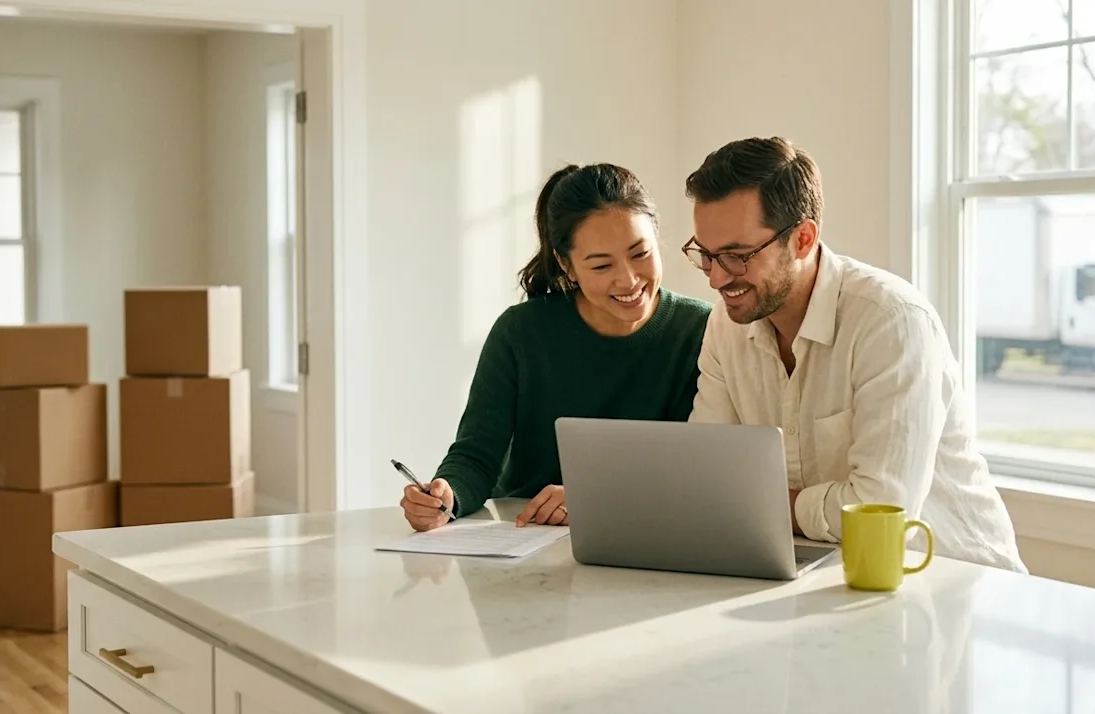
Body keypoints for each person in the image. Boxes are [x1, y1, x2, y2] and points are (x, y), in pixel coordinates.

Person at [682, 136, 1027, 572]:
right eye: (706, 255)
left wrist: (760, 500)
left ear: (803, 239)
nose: (715, 279)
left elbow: (882, 508)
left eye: (735, 256)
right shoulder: (725, 326)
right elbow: (707, 478)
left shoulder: (892, 321)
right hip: (823, 578)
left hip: (955, 583)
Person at [400, 163, 713, 532]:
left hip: (647, 532)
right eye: (601, 265)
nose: (628, 278)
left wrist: (591, 496)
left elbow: (692, 467)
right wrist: (445, 497)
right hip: (522, 536)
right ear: (567, 266)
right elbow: (477, 454)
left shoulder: (702, 330)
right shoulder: (519, 332)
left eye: (640, 253)